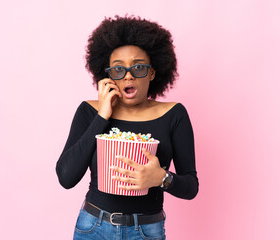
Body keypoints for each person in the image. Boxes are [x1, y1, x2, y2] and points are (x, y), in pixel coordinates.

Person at [56, 15, 199, 240]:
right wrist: (102, 116)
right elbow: (66, 178)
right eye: (118, 69)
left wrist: (161, 178)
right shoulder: (89, 111)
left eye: (139, 67)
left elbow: (191, 187)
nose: (128, 76)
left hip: (146, 231)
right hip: (92, 227)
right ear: (108, 76)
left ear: (152, 73)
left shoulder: (174, 115)